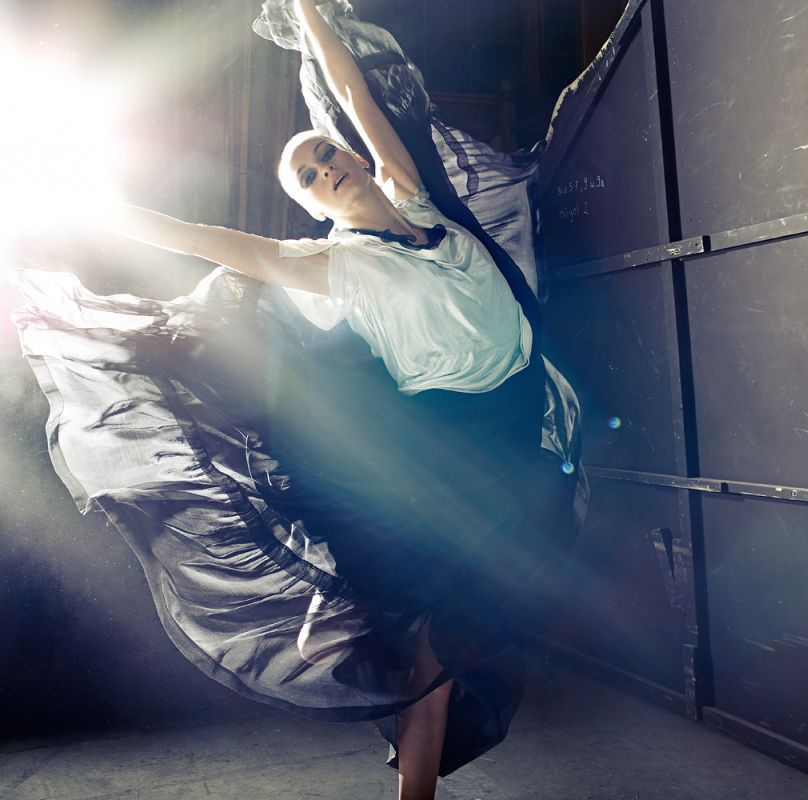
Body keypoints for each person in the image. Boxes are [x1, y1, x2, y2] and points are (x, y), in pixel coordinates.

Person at [8, 0, 643, 798]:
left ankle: (372, 627)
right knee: (437, 628)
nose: (325, 168)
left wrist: (309, 11)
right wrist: (94, 212)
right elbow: (206, 241)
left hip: (517, 423)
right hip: (450, 437)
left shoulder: (413, 198)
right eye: (307, 176)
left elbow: (357, 97)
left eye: (326, 155)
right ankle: (366, 653)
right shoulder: (329, 265)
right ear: (312, 205)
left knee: (464, 622)